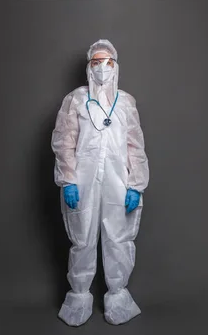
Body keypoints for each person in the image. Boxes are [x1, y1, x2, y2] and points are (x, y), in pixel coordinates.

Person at [51, 39, 149, 326]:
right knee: (82, 239)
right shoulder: (76, 100)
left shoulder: (126, 102)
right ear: (88, 66)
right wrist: (68, 180)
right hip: (83, 182)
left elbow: (135, 147)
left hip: (118, 182)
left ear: (115, 66)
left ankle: (118, 298)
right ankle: (79, 300)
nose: (102, 68)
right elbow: (64, 142)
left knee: (118, 238)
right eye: (96, 62)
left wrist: (136, 184)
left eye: (107, 62)